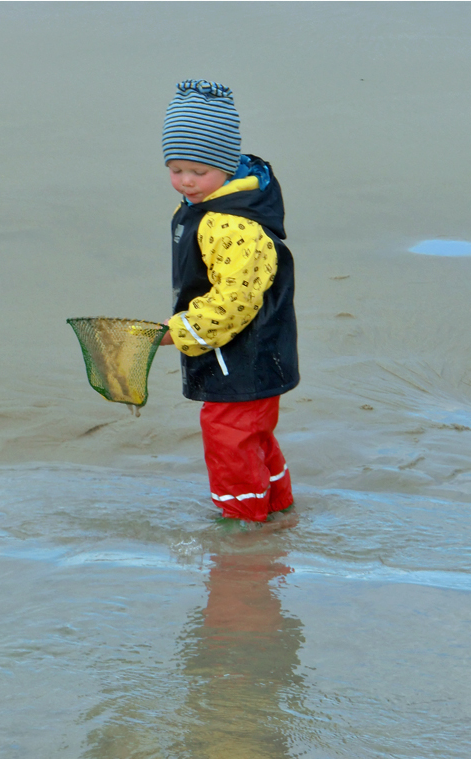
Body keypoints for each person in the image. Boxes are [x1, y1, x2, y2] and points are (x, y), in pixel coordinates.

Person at [159, 80, 299, 522]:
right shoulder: (201, 209)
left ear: (224, 164)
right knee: (254, 434)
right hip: (239, 355)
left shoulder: (232, 225)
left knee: (230, 435)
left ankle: (243, 529)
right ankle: (276, 507)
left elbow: (233, 302)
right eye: (175, 168)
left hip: (244, 355)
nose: (185, 180)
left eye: (198, 171)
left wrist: (177, 332)